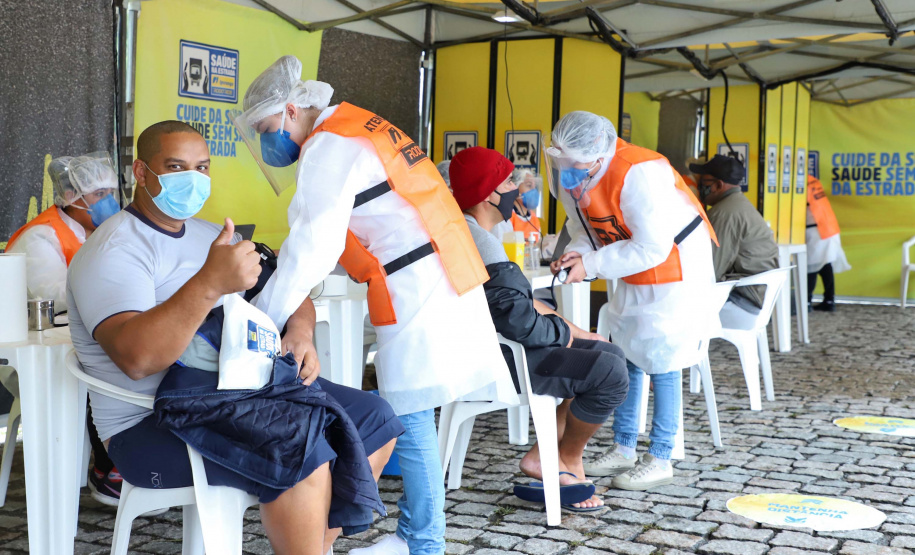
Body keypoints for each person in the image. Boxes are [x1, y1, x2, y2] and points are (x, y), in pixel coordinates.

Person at [67, 121, 402, 555]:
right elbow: (138, 358)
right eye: (176, 166)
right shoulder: (114, 249)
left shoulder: (212, 235)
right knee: (302, 444)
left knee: (374, 418)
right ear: (141, 173)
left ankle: (312, 547)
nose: (193, 178)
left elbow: (288, 289)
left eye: (202, 167)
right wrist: (209, 282)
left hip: (236, 395)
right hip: (150, 425)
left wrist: (300, 333)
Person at [233, 56, 517, 555]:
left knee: (408, 411)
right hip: (435, 269)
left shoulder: (329, 144)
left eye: (265, 128)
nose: (266, 141)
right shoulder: (354, 126)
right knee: (413, 408)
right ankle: (419, 536)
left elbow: (313, 245)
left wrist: (264, 316)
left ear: (292, 110)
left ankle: (424, 541)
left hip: (419, 282)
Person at [450, 146, 628, 511]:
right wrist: (564, 334)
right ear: (488, 195)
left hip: (499, 349)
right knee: (609, 371)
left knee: (605, 351)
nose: (517, 188)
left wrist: (578, 331)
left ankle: (548, 457)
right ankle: (568, 460)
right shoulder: (479, 241)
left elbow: (522, 303)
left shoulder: (475, 231)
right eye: (509, 181)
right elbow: (519, 322)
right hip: (497, 361)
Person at [546, 111, 718, 491]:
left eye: (574, 163)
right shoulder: (578, 168)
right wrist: (576, 256)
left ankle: (661, 455)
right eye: (562, 163)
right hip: (632, 261)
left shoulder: (639, 171)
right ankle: (623, 448)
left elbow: (653, 245)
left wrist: (590, 263)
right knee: (627, 350)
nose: (567, 171)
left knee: (663, 356)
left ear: (596, 153)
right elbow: (585, 229)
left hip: (675, 260)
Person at [6, 153, 123, 506]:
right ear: (72, 196)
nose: (110, 201)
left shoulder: (99, 231)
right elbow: (56, 296)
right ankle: (108, 469)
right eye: (99, 193)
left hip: (77, 345)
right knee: (107, 372)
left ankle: (126, 460)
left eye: (110, 191)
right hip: (36, 358)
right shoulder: (40, 237)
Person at [690, 155, 777, 329]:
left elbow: (710, 271)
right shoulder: (738, 205)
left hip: (741, 303)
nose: (698, 186)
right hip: (756, 299)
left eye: (703, 181)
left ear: (718, 185)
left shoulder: (724, 214)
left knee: (670, 308)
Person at [806, 175, 850, 312]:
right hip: (828, 227)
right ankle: (829, 300)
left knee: (811, 266)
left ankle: (806, 302)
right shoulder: (811, 180)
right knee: (825, 264)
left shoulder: (799, 183)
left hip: (816, 229)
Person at [509, 168, 542, 240]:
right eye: (529, 185)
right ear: (515, 187)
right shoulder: (507, 217)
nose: (533, 190)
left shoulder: (534, 219)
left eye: (534, 187)